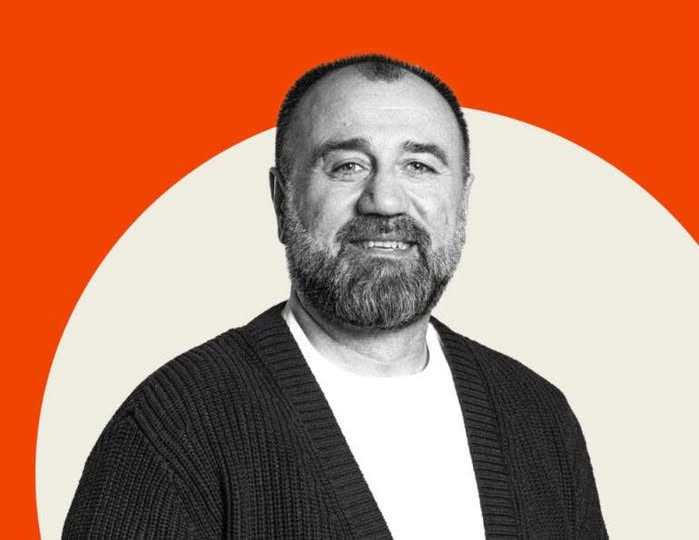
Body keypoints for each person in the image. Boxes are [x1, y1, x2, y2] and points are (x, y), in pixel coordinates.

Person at [63, 55, 607, 539]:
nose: (384, 200)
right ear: (282, 201)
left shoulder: (538, 417)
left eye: (419, 166)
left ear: (462, 201)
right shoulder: (175, 427)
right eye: (347, 166)